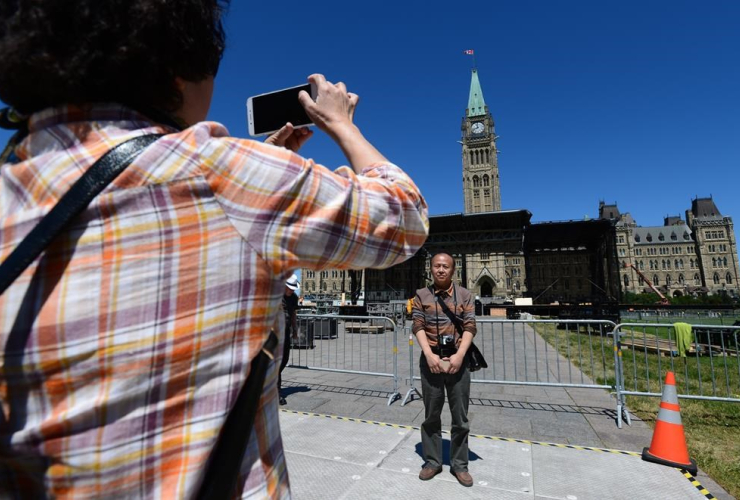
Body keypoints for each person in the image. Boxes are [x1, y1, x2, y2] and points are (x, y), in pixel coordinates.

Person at [0, 1, 429, 497]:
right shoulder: (222, 174)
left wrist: (263, 168)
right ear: (178, 68)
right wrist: (341, 125)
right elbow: (403, 216)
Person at [412, 252, 476, 487]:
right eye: (437, 266)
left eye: (445, 266)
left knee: (460, 417)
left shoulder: (465, 295)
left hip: (458, 362)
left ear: (453, 270)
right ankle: (432, 461)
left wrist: (459, 356)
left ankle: (460, 465)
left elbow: (470, 326)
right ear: (431, 269)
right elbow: (417, 324)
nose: (441, 269)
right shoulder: (421, 295)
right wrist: (429, 355)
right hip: (431, 362)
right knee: (431, 416)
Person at [278, 274, 301, 405]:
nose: (292, 290)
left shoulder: (294, 298)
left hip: (286, 333)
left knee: (284, 360)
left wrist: (295, 330)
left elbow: (293, 314)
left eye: (293, 288)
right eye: (290, 288)